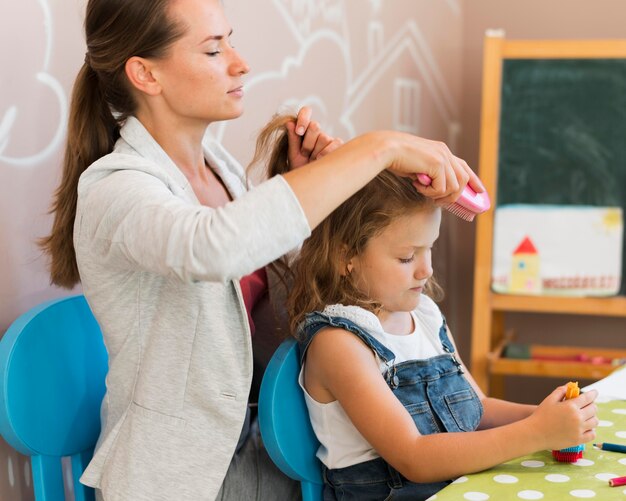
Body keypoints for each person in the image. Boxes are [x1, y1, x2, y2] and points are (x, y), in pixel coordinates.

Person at [39, 0, 483, 499]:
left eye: (231, 39)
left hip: (267, 457)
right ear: (145, 74)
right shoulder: (115, 188)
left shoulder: (220, 171)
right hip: (178, 478)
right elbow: (212, 249)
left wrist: (302, 191)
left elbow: (257, 310)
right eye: (213, 49)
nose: (239, 61)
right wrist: (377, 149)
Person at [272, 148, 599, 499]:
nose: (426, 270)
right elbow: (414, 457)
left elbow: (478, 409)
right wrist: (535, 433)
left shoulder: (424, 317)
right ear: (345, 256)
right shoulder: (340, 344)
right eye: (407, 256)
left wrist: (546, 418)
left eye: (430, 249)